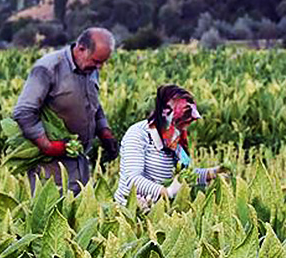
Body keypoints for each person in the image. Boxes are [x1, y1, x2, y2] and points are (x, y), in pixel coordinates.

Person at [12, 27, 119, 194]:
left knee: (79, 214)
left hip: (80, 160)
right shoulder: (48, 68)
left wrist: (104, 131)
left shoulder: (90, 70)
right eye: (96, 61)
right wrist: (46, 145)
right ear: (81, 48)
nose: (100, 67)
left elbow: (94, 104)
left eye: (102, 62)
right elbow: (24, 111)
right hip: (51, 166)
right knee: (53, 212)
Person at [114, 84, 224, 205]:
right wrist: (167, 192)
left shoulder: (174, 139)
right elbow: (133, 180)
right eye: (181, 122)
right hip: (132, 211)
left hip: (160, 211)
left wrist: (213, 173)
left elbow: (184, 175)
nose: (184, 128)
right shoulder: (138, 134)